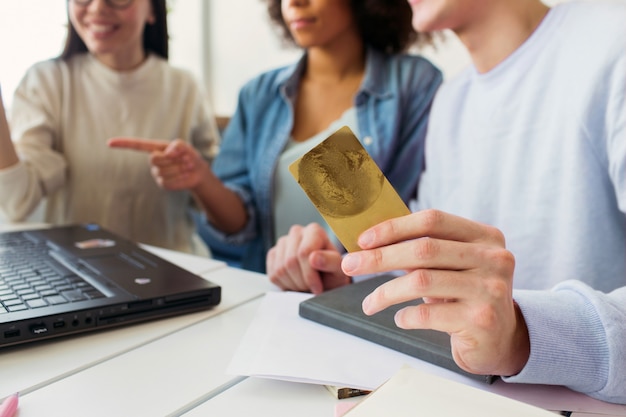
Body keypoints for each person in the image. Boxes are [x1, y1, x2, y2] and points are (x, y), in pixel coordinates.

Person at [267, 0, 626, 405]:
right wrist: (349, 282)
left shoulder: (613, 46)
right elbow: (433, 269)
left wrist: (522, 335)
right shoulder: (450, 100)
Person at [108, 0, 443, 273]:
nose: (294, 4)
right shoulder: (259, 93)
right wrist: (200, 179)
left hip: (364, 296)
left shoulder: (412, 83)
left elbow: (403, 220)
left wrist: (333, 266)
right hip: (271, 293)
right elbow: (239, 226)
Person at [0, 0, 219, 256]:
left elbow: (223, 213)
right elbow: (15, 203)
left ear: (152, 10)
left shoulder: (185, 86)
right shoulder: (46, 81)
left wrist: (196, 175)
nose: (96, 8)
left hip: (174, 270)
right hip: (74, 271)